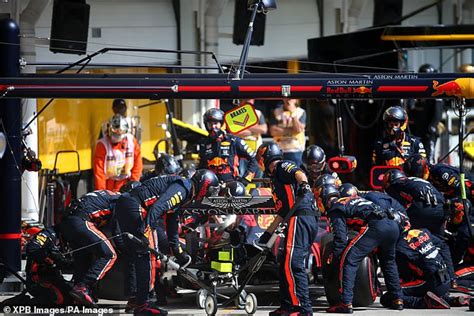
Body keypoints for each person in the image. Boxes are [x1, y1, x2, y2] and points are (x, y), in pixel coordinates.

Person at [114, 169, 219, 315]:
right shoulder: (184, 187)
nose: (208, 195)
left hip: (127, 204)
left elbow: (172, 224)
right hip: (135, 206)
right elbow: (159, 207)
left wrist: (178, 252)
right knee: (145, 256)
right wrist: (145, 230)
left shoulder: (184, 191)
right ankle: (142, 305)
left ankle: (136, 301)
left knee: (137, 256)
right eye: (209, 191)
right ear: (204, 185)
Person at [319, 183, 403, 313]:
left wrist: (334, 260)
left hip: (377, 226)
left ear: (324, 199)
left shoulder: (335, 208)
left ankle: (345, 303)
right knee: (389, 262)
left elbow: (340, 239)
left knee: (349, 260)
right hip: (393, 225)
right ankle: (397, 299)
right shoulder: (355, 199)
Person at [255, 142, 318, 316]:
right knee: (283, 262)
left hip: (301, 216)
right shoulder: (276, 179)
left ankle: (301, 308)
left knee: (293, 263)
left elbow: (298, 173)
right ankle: (287, 305)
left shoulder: (281, 166)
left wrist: (304, 185)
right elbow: (282, 213)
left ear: (265, 157)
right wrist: (267, 234)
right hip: (293, 217)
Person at [60, 190, 121, 306]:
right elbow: (117, 231)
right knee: (110, 255)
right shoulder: (121, 200)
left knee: (84, 258)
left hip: (67, 222)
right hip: (82, 221)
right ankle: (83, 287)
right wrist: (123, 249)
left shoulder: (105, 193)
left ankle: (78, 296)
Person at [198, 108, 258, 184]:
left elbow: (254, 159)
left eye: (216, 123)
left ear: (221, 123)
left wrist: (246, 179)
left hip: (231, 185)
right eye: (210, 124)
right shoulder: (204, 144)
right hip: (210, 187)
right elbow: (201, 168)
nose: (213, 127)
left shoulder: (234, 141)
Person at [24, 227, 73, 305]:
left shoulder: (71, 238)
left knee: (75, 297)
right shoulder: (47, 234)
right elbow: (31, 248)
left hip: (56, 279)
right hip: (39, 280)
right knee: (61, 300)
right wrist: (49, 258)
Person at [94, 114, 143, 192]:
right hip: (108, 185)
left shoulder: (132, 142)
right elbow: (99, 172)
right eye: (115, 132)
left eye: (120, 133)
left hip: (126, 183)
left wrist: (133, 184)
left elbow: (137, 165)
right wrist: (101, 193)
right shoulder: (102, 145)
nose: (117, 135)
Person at [407, 64, 444, 163]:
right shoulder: (416, 88)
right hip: (416, 128)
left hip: (429, 130)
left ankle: (429, 168)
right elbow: (410, 107)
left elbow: (438, 111)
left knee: (429, 154)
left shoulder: (437, 90)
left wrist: (432, 126)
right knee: (414, 153)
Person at [235, 99, 268, 178]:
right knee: (242, 176)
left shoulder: (258, 113)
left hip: (257, 151)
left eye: (250, 100)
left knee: (258, 177)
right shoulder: (235, 113)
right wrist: (255, 130)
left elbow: (264, 129)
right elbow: (234, 132)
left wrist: (245, 127)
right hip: (241, 152)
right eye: (245, 99)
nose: (248, 102)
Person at [269, 98, 307, 166]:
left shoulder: (301, 112)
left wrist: (292, 113)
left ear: (296, 100)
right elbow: (272, 131)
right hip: (279, 150)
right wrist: (291, 130)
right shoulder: (276, 111)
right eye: (287, 98)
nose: (288, 100)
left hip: (296, 150)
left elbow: (298, 129)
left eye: (291, 98)